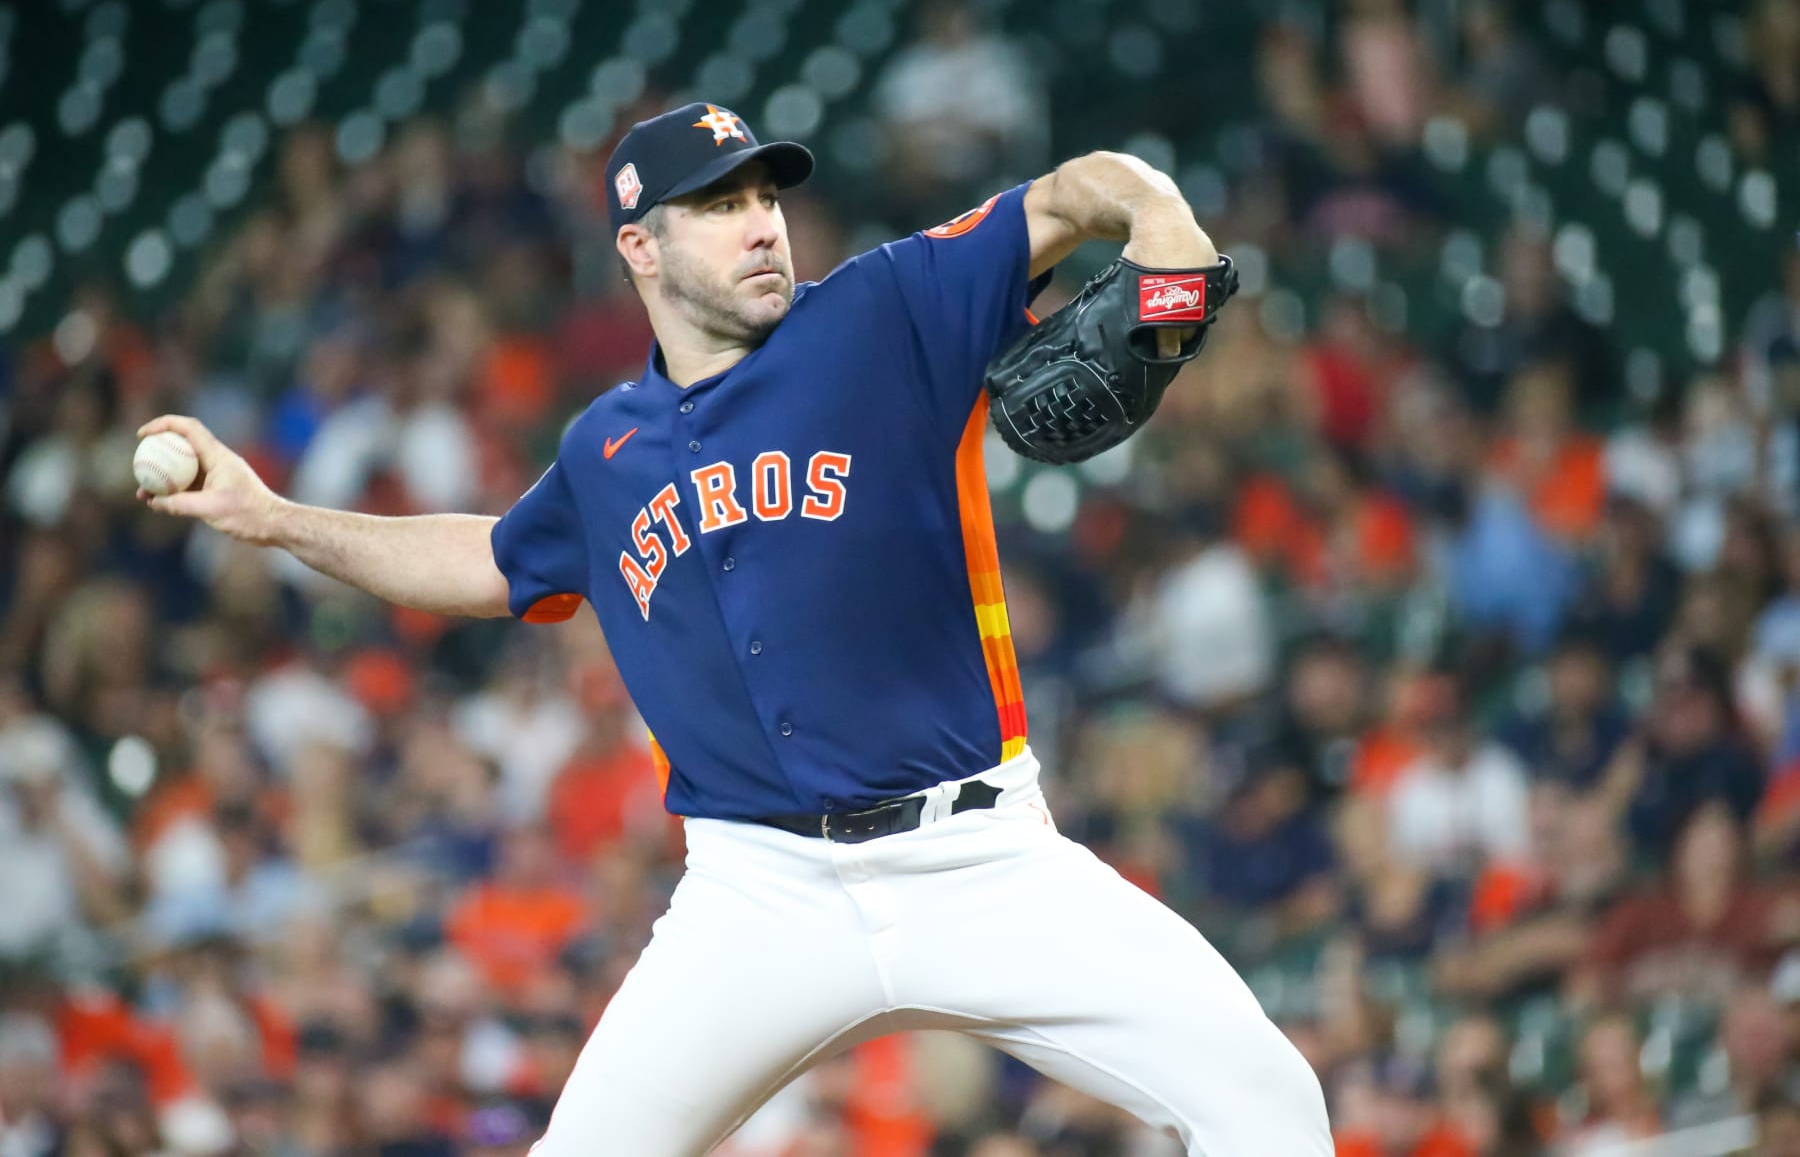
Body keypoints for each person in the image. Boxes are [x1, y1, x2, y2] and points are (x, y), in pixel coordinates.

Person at [137, 101, 1332, 1154]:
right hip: (759, 892)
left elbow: (1077, 191)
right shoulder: (603, 449)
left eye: (767, 195)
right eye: (718, 205)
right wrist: (278, 517)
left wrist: (1161, 218)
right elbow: (492, 560)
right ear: (640, 247)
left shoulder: (885, 310)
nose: (763, 222)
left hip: (979, 854)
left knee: (1269, 1103)